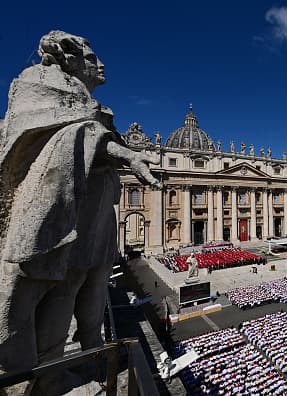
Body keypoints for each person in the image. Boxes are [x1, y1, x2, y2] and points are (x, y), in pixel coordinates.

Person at [0, 30, 161, 394]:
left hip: (93, 215)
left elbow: (94, 138)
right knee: (50, 290)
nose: (100, 64)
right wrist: (123, 153)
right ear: (67, 56)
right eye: (91, 57)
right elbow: (53, 135)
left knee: (79, 289)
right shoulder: (38, 83)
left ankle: (77, 365)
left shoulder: (87, 104)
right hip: (60, 213)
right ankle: (43, 377)